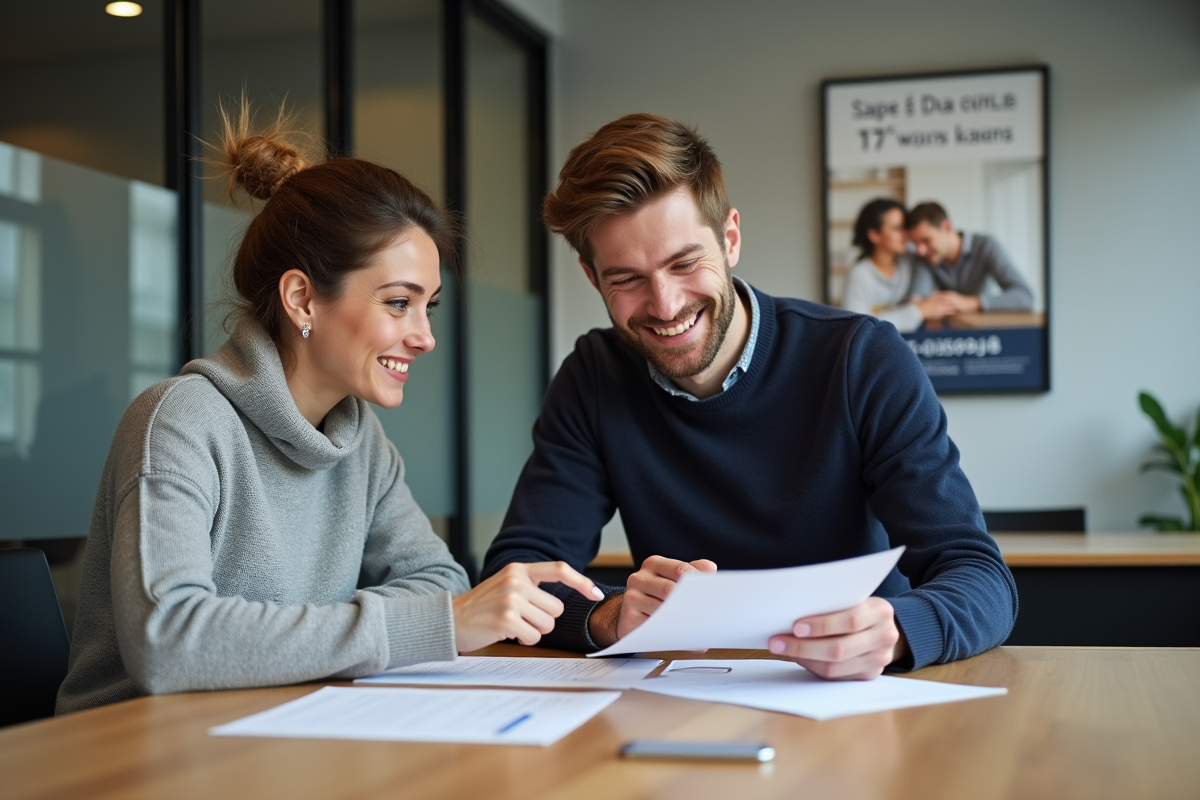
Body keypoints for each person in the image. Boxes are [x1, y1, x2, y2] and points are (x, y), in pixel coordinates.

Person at [56, 107, 601, 714]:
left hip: (284, 726)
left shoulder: (359, 440)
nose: (425, 337)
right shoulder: (180, 422)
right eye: (399, 303)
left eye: (430, 307)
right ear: (301, 299)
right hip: (131, 750)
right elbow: (169, 642)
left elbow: (441, 584)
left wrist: (317, 638)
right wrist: (416, 626)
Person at [483, 114, 1016, 680]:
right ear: (594, 280)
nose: (664, 305)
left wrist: (901, 631)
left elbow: (979, 575)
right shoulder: (593, 376)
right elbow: (519, 575)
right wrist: (609, 617)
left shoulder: (862, 358)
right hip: (678, 707)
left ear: (730, 238)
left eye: (684, 263)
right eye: (627, 279)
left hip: (854, 702)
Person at [905, 201, 1034, 314]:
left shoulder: (985, 246)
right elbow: (917, 300)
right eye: (916, 244)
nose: (920, 250)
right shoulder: (925, 256)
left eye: (926, 240)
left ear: (946, 227)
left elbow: (1025, 296)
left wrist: (971, 303)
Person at [840, 198, 948, 332]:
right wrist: (917, 311)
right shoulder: (859, 275)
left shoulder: (914, 259)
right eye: (897, 228)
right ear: (874, 235)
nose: (905, 234)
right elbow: (857, 328)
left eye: (905, 228)